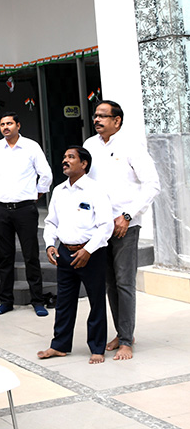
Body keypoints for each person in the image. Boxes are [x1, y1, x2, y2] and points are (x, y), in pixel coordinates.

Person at [83, 100, 160, 360]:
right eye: (95, 115)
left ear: (117, 121)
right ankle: (122, 331)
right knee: (109, 283)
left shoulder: (131, 147)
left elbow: (152, 185)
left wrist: (128, 215)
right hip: (100, 227)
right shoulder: (89, 146)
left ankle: (127, 340)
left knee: (124, 282)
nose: (97, 120)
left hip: (125, 225)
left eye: (103, 116)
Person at [37, 146, 114, 365]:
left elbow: (105, 225)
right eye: (64, 156)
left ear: (84, 164)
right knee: (64, 301)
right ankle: (60, 345)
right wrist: (50, 245)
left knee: (96, 301)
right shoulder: (59, 191)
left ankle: (97, 348)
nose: (65, 160)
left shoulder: (94, 190)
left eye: (71, 157)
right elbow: (51, 222)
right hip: (64, 252)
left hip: (92, 253)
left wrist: (88, 250)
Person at [0, 112, 53, 317]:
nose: (5, 127)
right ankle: (6, 301)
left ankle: (37, 300)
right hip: (1, 209)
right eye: (2, 124)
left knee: (31, 255)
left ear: (18, 125)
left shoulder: (31, 147)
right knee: (5, 257)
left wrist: (36, 193)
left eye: (9, 123)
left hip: (25, 209)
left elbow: (46, 174)